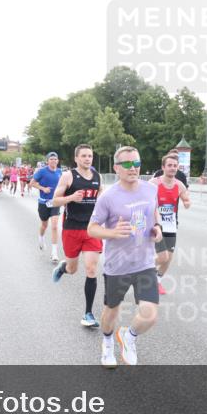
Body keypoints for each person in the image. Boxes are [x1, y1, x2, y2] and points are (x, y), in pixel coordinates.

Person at [88, 146, 163, 367]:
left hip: (145, 262)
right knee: (112, 311)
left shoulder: (150, 189)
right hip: (118, 265)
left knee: (150, 315)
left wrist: (157, 227)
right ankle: (108, 343)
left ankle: (128, 337)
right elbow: (92, 229)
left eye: (136, 164)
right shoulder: (108, 197)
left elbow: (154, 211)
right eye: (128, 164)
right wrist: (111, 233)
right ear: (116, 168)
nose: (133, 168)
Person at [50, 144, 103, 328]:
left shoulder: (98, 177)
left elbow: (102, 199)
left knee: (91, 268)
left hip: (91, 229)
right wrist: (71, 198)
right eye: (84, 156)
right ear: (76, 158)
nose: (88, 159)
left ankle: (88, 313)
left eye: (90, 156)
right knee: (73, 269)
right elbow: (54, 200)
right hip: (72, 229)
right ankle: (64, 267)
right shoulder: (68, 176)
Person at [149, 153, 191, 296]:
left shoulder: (179, 185)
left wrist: (187, 202)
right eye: (170, 165)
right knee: (162, 257)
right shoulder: (154, 183)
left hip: (171, 225)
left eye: (175, 166)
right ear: (163, 167)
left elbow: (186, 198)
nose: (173, 168)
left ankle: (157, 280)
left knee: (169, 258)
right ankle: (142, 269)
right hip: (156, 224)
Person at [29, 152, 62, 263]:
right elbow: (32, 183)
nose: (53, 161)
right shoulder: (41, 171)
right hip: (43, 203)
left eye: (55, 159)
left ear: (58, 161)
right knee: (44, 225)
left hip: (55, 202)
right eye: (51, 159)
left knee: (54, 226)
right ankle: (41, 237)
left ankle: (54, 252)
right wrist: (43, 188)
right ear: (47, 161)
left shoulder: (60, 172)